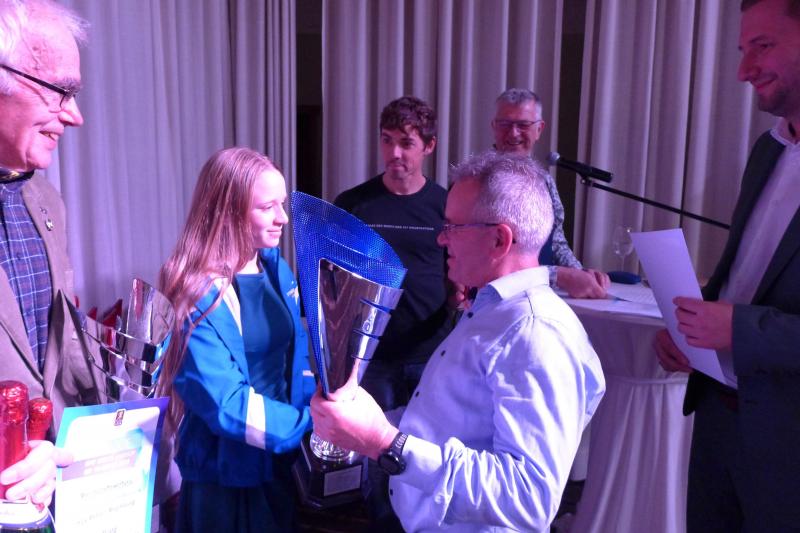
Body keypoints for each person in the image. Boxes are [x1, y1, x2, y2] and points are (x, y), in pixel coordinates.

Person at [312, 151, 606, 532]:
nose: (440, 238)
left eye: (453, 227)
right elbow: (455, 418)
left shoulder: (535, 332)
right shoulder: (492, 309)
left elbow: (528, 497)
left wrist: (386, 442)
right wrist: (368, 424)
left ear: (499, 239)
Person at [654, 0, 800, 530]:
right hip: (719, 423)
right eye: (742, 50)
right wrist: (692, 333)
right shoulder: (767, 150)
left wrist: (737, 329)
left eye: (762, 46)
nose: (743, 71)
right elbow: (745, 275)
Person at [158, 147, 315, 532]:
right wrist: (311, 424)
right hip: (226, 479)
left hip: (279, 462)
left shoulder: (276, 268)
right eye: (267, 207)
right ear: (228, 211)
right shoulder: (196, 294)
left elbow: (294, 358)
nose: (283, 218)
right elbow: (227, 405)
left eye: (282, 204)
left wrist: (318, 403)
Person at [0, 0, 90, 508]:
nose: (74, 116)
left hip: (51, 493)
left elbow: (60, 347)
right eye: (61, 91)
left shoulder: (46, 200)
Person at [334, 96, 451, 411]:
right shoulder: (352, 204)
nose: (394, 152)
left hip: (430, 350)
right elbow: (335, 279)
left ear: (429, 146)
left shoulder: (446, 205)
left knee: (428, 437)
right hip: (371, 353)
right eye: (387, 140)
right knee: (372, 437)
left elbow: (457, 272)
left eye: (406, 143)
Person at [492, 88, 610, 299]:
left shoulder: (544, 180)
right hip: (497, 300)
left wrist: (581, 273)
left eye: (523, 125)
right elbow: (492, 256)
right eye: (505, 124)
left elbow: (555, 241)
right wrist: (560, 276)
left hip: (540, 296)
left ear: (539, 129)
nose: (514, 133)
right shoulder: (479, 180)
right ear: (494, 126)